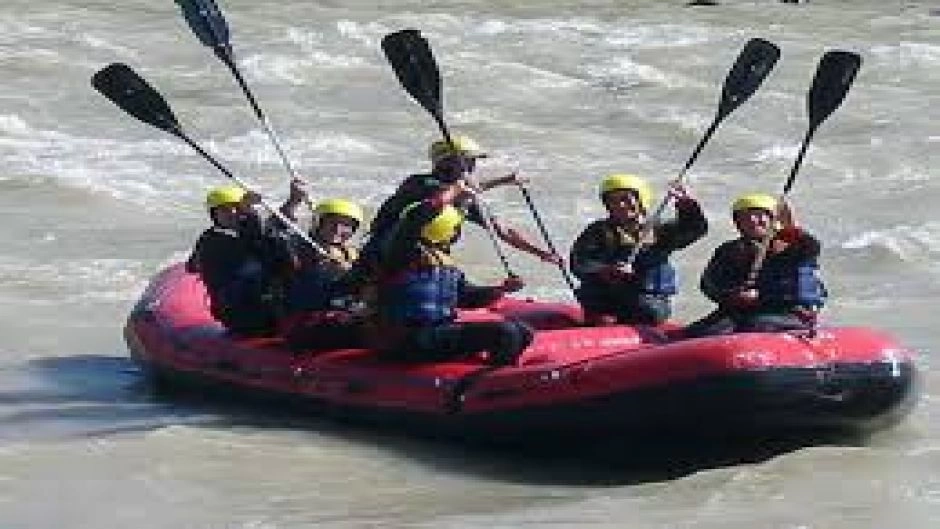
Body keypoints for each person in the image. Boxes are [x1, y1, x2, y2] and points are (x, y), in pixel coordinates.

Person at [353, 135, 562, 282]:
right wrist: (497, 182)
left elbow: (501, 230)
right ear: (447, 163)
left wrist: (540, 252)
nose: (473, 167)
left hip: (427, 264)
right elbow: (441, 195)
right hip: (385, 258)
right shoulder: (417, 184)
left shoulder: (462, 198)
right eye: (468, 161)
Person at [371, 181, 534, 366]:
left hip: (436, 333)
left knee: (523, 331)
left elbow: (468, 298)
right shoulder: (400, 254)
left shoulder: (444, 262)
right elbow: (415, 218)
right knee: (506, 333)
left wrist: (501, 289)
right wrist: (455, 190)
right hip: (408, 338)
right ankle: (495, 385)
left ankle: (497, 376)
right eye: (455, 228)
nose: (456, 232)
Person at [570, 174, 708, 325]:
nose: (621, 205)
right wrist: (607, 271)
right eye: (613, 201)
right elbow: (580, 261)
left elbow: (694, 229)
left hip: (647, 301)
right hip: (607, 299)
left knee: (647, 310)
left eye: (626, 199)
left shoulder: (659, 230)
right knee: (596, 303)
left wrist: (687, 206)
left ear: (641, 200)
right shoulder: (598, 231)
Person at [684, 192, 827, 337]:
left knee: (755, 325)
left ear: (773, 219)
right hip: (745, 311)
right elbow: (711, 283)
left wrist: (791, 226)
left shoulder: (792, 245)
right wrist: (734, 295)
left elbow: (811, 248)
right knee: (702, 332)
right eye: (746, 217)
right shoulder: (730, 250)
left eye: (759, 215)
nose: (753, 220)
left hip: (790, 312)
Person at [186, 184, 294, 336]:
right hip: (241, 313)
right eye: (224, 209)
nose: (232, 213)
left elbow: (270, 231)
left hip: (267, 305)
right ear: (214, 214)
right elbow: (256, 241)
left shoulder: (249, 233)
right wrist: (251, 213)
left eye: (237, 208)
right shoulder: (212, 242)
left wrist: (292, 202)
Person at [275, 194, 368, 350]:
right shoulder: (299, 247)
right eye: (333, 222)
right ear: (319, 223)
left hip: (336, 316)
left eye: (346, 225)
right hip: (304, 324)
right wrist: (293, 202)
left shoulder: (352, 254)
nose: (338, 230)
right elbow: (275, 232)